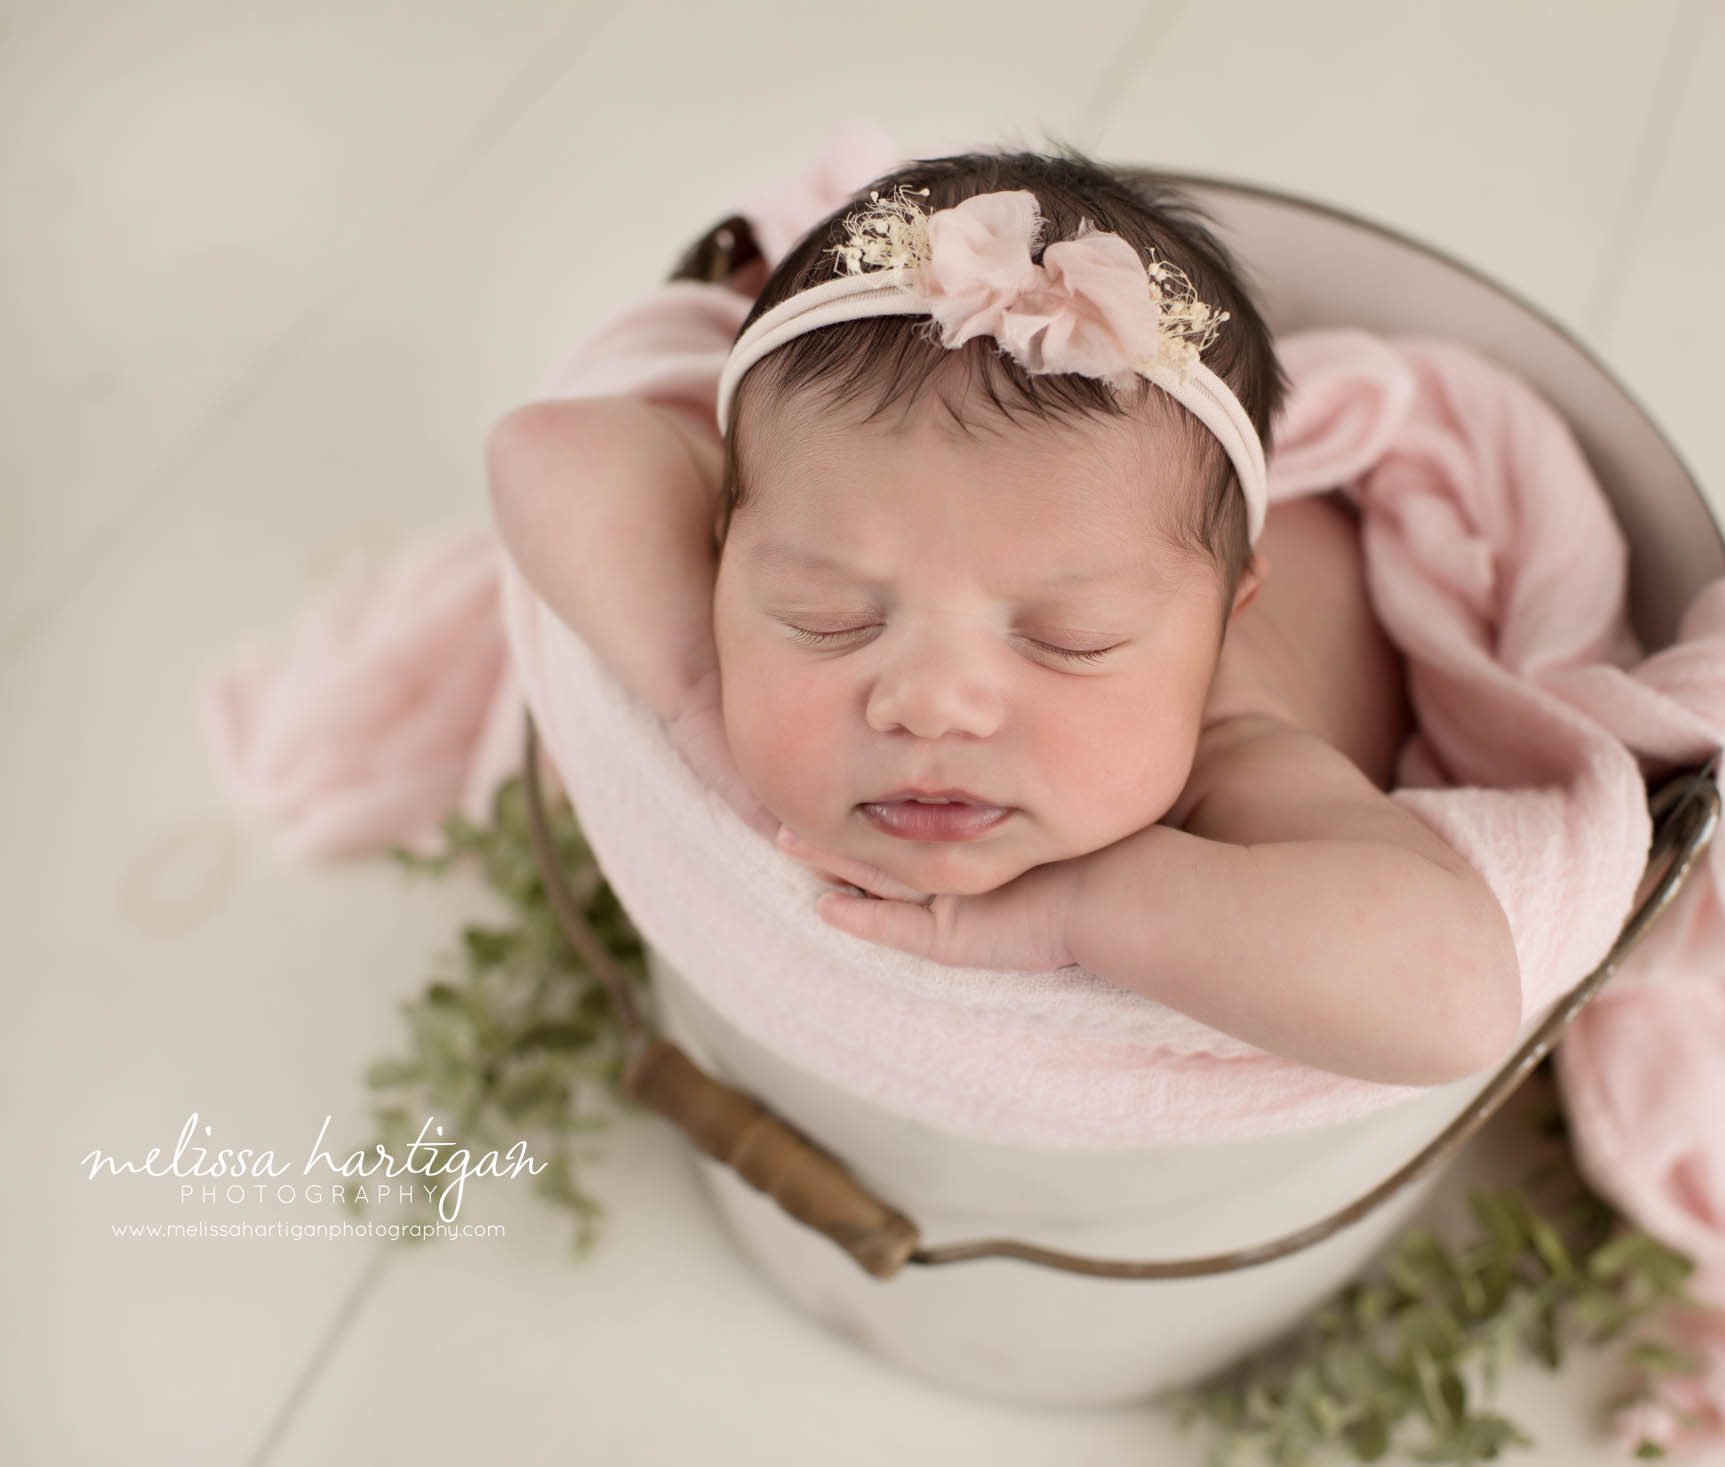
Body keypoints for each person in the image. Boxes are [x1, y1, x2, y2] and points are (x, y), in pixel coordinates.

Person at [487, 145, 1520, 1086]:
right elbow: (544, 453)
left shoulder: (1232, 759)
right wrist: (704, 698)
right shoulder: (835, 490)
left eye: (1069, 639)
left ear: (1220, 627)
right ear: (720, 553)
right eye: (827, 616)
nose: (932, 707)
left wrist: (1087, 907)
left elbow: (1457, 1002)